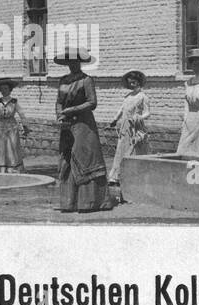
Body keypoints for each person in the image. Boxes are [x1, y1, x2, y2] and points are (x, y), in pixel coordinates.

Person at [54, 47, 109, 212]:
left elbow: (92, 103)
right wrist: (60, 115)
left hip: (84, 124)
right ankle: (69, 202)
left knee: (85, 158)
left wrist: (72, 110)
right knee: (67, 158)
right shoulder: (63, 81)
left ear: (80, 62)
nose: (72, 65)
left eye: (75, 62)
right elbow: (58, 101)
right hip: (67, 125)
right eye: (70, 62)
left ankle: (90, 202)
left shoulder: (86, 80)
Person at [107, 69, 151, 186]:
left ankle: (136, 176)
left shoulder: (143, 97)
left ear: (139, 82)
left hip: (136, 126)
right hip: (125, 126)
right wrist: (115, 119)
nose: (132, 85)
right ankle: (116, 176)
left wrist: (139, 117)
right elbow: (122, 109)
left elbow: (147, 113)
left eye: (134, 82)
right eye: (130, 83)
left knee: (135, 149)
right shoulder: (127, 96)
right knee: (121, 148)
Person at [0, 78, 29, 173]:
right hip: (0, 127)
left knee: (12, 147)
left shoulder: (14, 102)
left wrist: (25, 126)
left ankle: (13, 169)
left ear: (10, 90)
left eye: (6, 88)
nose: (3, 91)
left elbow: (21, 114)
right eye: (2, 89)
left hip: (11, 127)